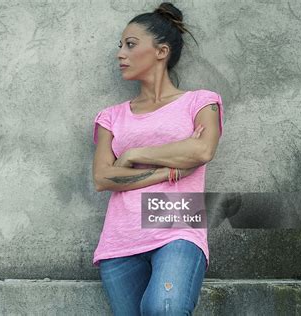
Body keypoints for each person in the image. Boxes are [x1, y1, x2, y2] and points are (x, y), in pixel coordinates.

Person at [91, 2, 224, 315]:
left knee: (163, 308)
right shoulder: (111, 117)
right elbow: (102, 178)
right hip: (121, 236)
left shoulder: (201, 101)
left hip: (178, 220)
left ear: (161, 51)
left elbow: (202, 151)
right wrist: (167, 172)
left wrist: (133, 154)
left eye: (131, 45)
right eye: (120, 46)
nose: (120, 54)